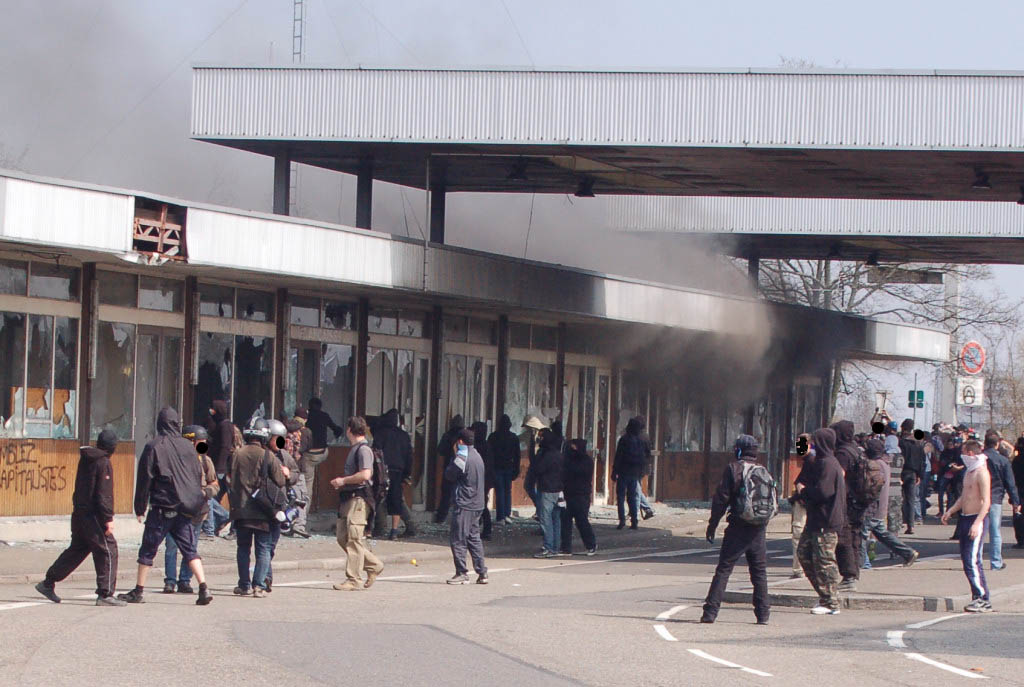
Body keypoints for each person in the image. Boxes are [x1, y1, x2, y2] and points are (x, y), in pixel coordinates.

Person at [118, 407, 213, 606]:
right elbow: (196, 475)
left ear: (159, 423)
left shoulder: (154, 447)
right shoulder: (188, 447)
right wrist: (196, 498)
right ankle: (204, 587)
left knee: (147, 550)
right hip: (185, 508)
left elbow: (145, 479)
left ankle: (139, 590)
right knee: (190, 549)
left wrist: (139, 507)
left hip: (162, 507)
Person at [36, 429, 126, 606]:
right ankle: (105, 594)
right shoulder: (103, 462)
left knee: (78, 549)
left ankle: (48, 582)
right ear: (112, 447)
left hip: (80, 512)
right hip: (94, 515)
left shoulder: (86, 459)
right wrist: (108, 518)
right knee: (108, 550)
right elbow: (104, 494)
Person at [700, 435, 771, 625]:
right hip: (758, 528)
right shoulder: (762, 470)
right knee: (759, 571)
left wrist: (712, 524)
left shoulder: (733, 468)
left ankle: (710, 612)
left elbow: (721, 499)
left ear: (739, 450)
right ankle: (763, 614)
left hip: (738, 526)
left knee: (724, 569)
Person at [228, 418, 288, 598]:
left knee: (243, 548)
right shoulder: (268, 456)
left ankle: (244, 585)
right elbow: (280, 480)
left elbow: (231, 479)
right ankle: (259, 586)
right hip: (264, 511)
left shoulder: (237, 454)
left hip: (241, 510)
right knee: (263, 549)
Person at [330, 417, 385, 591]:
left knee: (354, 539)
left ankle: (353, 579)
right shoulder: (356, 449)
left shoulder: (363, 450)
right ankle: (374, 565)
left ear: (349, 430)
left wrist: (343, 480)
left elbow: (365, 474)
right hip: (349, 497)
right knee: (342, 537)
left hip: (360, 498)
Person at [163, 425, 219, 594]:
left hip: (197, 511)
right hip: (176, 509)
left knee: (191, 547)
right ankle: (170, 581)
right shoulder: (174, 460)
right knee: (171, 547)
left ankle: (184, 580)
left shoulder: (205, 460)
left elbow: (214, 483)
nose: (203, 446)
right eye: (200, 442)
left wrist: (205, 493)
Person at [796, 428, 846, 616]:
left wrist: (803, 491)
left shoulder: (828, 464)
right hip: (817, 519)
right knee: (804, 553)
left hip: (827, 519)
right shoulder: (823, 462)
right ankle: (825, 594)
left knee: (825, 560)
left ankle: (831, 601)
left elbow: (823, 492)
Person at [941, 439, 993, 612]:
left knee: (972, 559)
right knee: (967, 560)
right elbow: (964, 497)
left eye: (964, 452)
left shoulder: (982, 472)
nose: (962, 455)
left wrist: (977, 523)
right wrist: (950, 511)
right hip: (965, 517)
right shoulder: (969, 472)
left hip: (976, 519)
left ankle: (982, 597)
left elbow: (986, 502)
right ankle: (976, 595)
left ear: (971, 453)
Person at [859, 438, 918, 567]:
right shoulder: (885, 463)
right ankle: (908, 552)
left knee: (861, 534)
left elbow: (871, 486)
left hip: (873, 506)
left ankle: (864, 563)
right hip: (881, 505)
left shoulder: (875, 465)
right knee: (882, 534)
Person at [445, 428, 489, 584]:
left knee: (458, 539)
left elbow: (450, 474)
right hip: (477, 502)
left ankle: (462, 572)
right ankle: (482, 572)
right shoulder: (477, 455)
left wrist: (454, 455)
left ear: (460, 442)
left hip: (465, 502)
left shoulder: (462, 457)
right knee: (473, 537)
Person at [265, 418, 300, 591]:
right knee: (263, 544)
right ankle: (264, 577)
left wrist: (289, 474)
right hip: (264, 504)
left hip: (280, 504)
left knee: (271, 544)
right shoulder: (262, 454)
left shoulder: (284, 456)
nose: (280, 442)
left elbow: (296, 472)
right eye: (276, 438)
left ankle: (265, 574)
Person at [371, 408, 417, 540]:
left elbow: (376, 452)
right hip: (398, 471)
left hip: (382, 470)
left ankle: (380, 527)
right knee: (397, 500)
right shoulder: (403, 435)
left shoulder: (380, 433)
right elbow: (409, 456)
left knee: (379, 497)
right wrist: (407, 473)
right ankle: (395, 531)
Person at [830, 420, 864, 591]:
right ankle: (853, 573)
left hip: (846, 501)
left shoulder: (843, 453)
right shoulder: (855, 449)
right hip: (858, 501)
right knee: (855, 538)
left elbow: (840, 476)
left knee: (844, 539)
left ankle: (849, 575)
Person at [982, 430, 1021, 571]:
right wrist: (1015, 501)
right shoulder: (1003, 461)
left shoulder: (979, 458)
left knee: (978, 531)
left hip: (979, 498)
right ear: (997, 444)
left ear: (985, 443)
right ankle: (995, 562)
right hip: (995, 498)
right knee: (995, 532)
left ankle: (974, 561)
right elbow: (1010, 483)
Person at [526, 428, 564, 557]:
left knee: (546, 518)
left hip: (547, 488)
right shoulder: (558, 454)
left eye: (541, 437)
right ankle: (555, 547)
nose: (539, 440)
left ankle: (548, 547)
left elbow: (538, 468)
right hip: (558, 489)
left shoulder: (546, 455)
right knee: (556, 519)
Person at [560, 438, 597, 555]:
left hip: (580, 495)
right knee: (566, 521)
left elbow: (574, 474)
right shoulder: (573, 460)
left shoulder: (584, 461)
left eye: (574, 447)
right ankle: (566, 548)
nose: (572, 449)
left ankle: (591, 544)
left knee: (581, 521)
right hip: (571, 494)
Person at [612, 418, 645, 530]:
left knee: (620, 497)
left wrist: (614, 471)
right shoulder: (640, 441)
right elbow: (643, 457)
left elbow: (618, 456)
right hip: (635, 473)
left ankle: (622, 520)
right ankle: (634, 520)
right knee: (633, 497)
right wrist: (641, 471)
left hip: (623, 471)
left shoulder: (624, 440)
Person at [284, 410, 313, 538]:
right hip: (297, 470)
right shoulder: (304, 433)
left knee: (287, 497)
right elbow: (306, 449)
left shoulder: (282, 434)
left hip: (283, 471)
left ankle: (286, 523)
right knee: (301, 497)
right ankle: (299, 525)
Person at [488, 414, 521, 523]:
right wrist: (516, 469)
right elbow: (517, 456)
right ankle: (507, 514)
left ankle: (500, 516)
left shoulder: (493, 437)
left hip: (497, 467)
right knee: (507, 491)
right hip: (509, 467)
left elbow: (490, 454)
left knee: (500, 491)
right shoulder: (514, 438)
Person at [789, 433, 813, 578]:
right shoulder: (809, 460)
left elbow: (803, 483)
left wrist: (800, 488)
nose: (799, 448)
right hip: (806, 502)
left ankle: (798, 568)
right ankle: (801, 567)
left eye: (802, 444)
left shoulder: (811, 461)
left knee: (798, 533)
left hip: (804, 503)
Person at [434, 415, 466, 523]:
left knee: (446, 494)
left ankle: (441, 517)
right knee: (462, 494)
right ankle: (460, 518)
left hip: (449, 467)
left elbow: (441, 451)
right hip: (463, 468)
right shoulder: (464, 436)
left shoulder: (447, 436)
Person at [898, 420, 925, 535]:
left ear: (903, 428)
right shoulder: (918, 445)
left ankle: (898, 523)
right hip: (913, 473)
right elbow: (921, 461)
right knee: (910, 499)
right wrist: (920, 475)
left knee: (898, 499)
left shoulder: (900, 443)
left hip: (901, 473)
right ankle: (911, 525)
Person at [471, 421, 495, 540]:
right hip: (486, 480)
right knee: (482, 504)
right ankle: (485, 528)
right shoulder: (487, 445)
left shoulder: (479, 447)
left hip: (481, 480)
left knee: (480, 505)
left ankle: (485, 529)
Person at [633, 416, 657, 520]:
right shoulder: (645, 436)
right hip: (643, 466)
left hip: (636, 466)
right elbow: (648, 453)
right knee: (636, 487)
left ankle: (645, 509)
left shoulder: (636, 436)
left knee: (635, 488)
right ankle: (645, 509)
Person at [1013, 436, 1024, 549]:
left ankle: (1021, 540)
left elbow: (1013, 479)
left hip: (1019, 491)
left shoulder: (1016, 461)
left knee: (1018, 517)